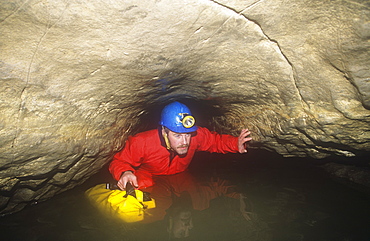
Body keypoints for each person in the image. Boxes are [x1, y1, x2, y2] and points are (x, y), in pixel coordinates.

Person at [109, 101, 252, 191]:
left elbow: (215, 141)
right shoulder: (142, 142)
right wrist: (125, 172)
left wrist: (235, 144)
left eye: (187, 135)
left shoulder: (195, 135)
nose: (185, 141)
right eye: (177, 135)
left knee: (194, 189)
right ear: (164, 131)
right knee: (143, 184)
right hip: (150, 176)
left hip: (181, 177)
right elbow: (119, 161)